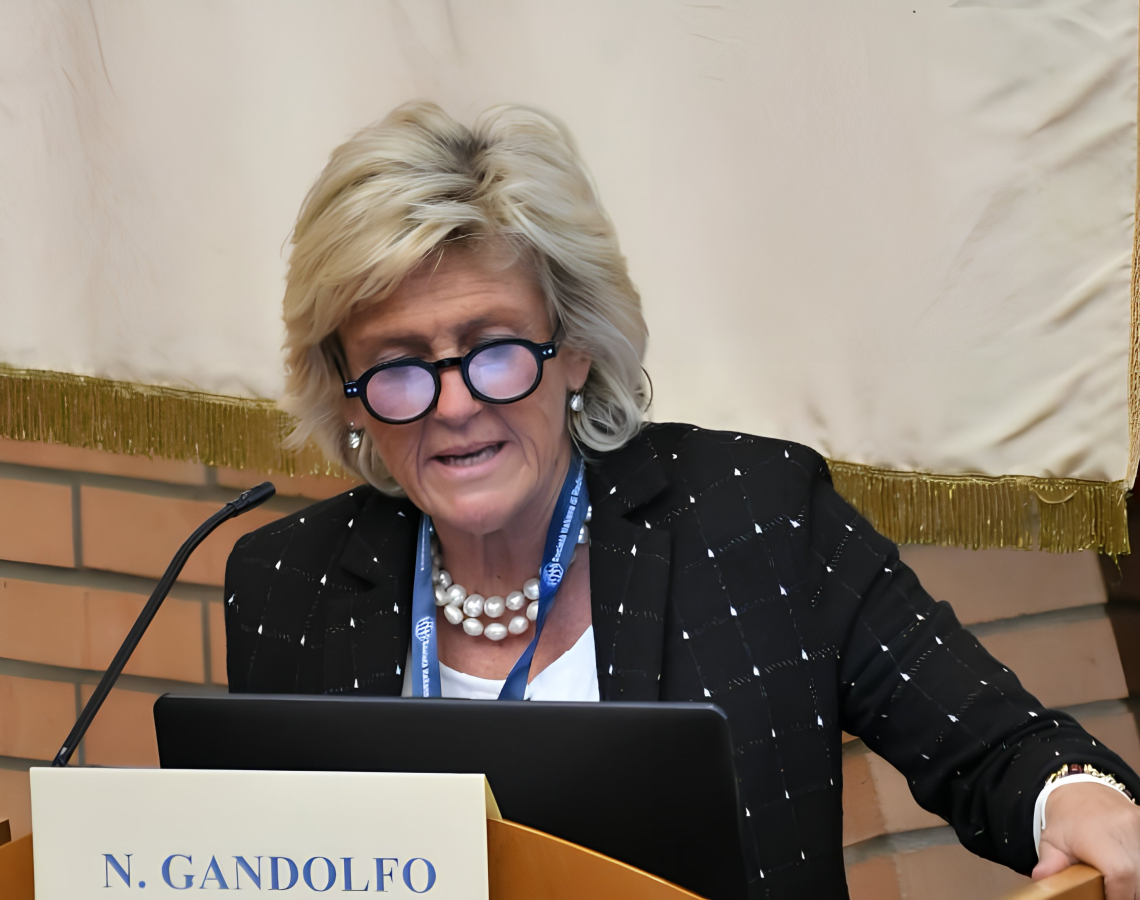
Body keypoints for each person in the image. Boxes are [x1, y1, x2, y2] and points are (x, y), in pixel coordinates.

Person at [224, 101, 1140, 898]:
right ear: (348, 392)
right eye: (398, 365)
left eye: (494, 348)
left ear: (575, 347)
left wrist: (1075, 797)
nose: (455, 406)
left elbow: (1001, 749)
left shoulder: (759, 515)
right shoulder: (285, 584)